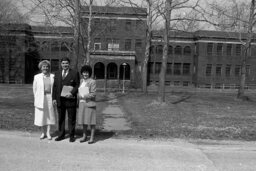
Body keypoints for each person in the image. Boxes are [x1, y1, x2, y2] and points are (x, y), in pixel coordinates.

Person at [52, 57, 80, 142]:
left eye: (66, 63)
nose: (65, 65)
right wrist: (54, 98)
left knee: (71, 118)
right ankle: (61, 135)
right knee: (61, 118)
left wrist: (72, 93)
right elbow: (55, 87)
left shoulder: (75, 73)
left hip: (70, 99)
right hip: (60, 100)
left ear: (69, 64)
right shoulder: (56, 73)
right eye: (63, 63)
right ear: (61, 64)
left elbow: (77, 85)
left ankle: (71, 136)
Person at [33, 60, 56, 140]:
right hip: (40, 98)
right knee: (41, 116)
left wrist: (54, 98)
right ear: (41, 67)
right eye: (44, 66)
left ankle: (48, 133)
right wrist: (36, 99)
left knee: (49, 115)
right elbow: (34, 89)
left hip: (50, 97)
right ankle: (43, 133)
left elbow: (55, 88)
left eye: (47, 66)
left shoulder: (53, 76)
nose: (45, 68)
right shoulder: (36, 77)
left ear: (49, 68)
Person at [77, 65, 97, 144]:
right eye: (84, 72)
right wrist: (78, 95)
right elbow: (79, 91)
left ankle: (92, 137)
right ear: (82, 73)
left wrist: (83, 96)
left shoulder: (92, 81)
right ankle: (84, 136)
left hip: (89, 103)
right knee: (84, 121)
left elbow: (93, 94)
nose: (85, 74)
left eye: (87, 73)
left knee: (92, 121)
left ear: (89, 73)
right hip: (82, 103)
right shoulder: (81, 81)